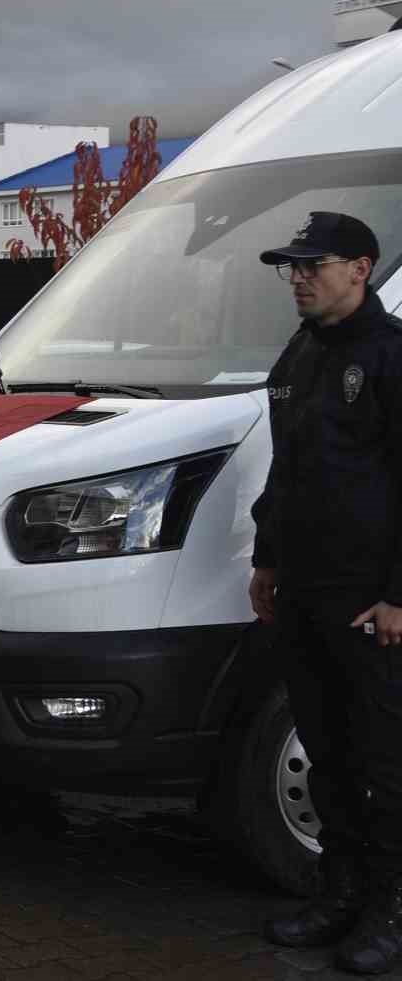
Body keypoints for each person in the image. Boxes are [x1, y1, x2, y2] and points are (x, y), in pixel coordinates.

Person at [251, 211, 402, 974]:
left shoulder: (391, 355)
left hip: (372, 604)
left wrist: (401, 596)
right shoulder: (302, 354)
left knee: (385, 762)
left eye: (314, 264)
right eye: (292, 266)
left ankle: (391, 908)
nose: (300, 277)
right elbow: (285, 470)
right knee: (330, 756)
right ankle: (339, 894)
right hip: (305, 592)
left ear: (361, 268)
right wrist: (266, 557)